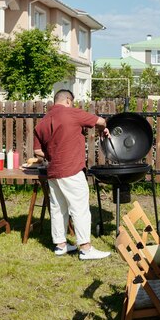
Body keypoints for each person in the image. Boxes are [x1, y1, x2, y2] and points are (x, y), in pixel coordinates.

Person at [34, 89, 111, 260]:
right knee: (80, 209)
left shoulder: (42, 122)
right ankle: (85, 248)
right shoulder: (72, 113)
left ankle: (60, 245)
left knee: (58, 208)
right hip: (71, 170)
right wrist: (102, 129)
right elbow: (101, 120)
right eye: (73, 102)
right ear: (68, 100)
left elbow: (37, 151)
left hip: (53, 171)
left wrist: (52, 155)